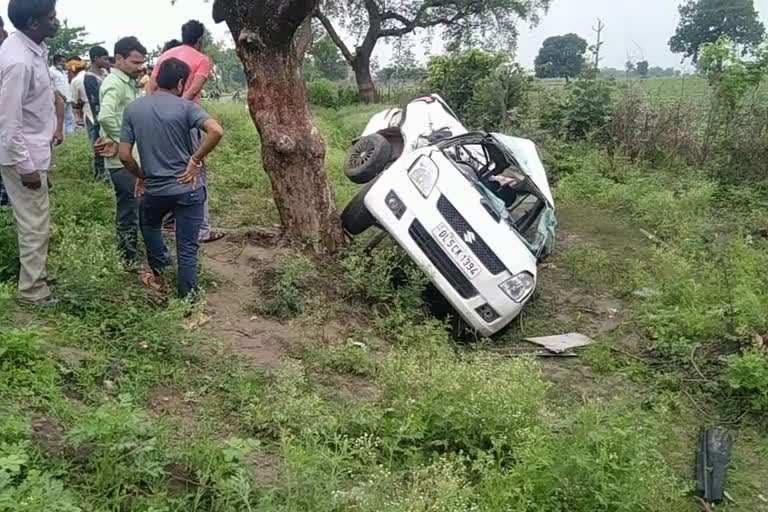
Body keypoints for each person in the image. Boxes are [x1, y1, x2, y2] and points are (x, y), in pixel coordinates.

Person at [119, 58, 224, 297]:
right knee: (187, 248)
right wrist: (195, 160)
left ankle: (162, 273)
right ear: (179, 83)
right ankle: (188, 299)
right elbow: (216, 131)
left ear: (156, 79)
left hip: (155, 190)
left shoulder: (134, 109)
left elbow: (124, 155)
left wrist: (141, 175)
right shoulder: (186, 107)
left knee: (150, 226)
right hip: (188, 188)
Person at [0, 0, 62, 307]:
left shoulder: (30, 49)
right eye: (51, 17)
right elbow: (9, 121)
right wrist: (26, 167)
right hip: (23, 156)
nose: (57, 22)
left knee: (36, 220)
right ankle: (32, 292)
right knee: (34, 224)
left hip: (33, 150)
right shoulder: (19, 61)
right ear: (33, 23)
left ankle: (36, 276)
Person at [149, 20, 224, 243]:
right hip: (187, 121)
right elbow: (191, 92)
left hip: (158, 118)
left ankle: (170, 219)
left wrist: (160, 113)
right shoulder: (201, 59)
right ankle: (201, 229)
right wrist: (175, 113)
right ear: (200, 40)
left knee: (168, 166)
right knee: (196, 167)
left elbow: (150, 88)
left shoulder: (166, 55)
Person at [96, 36, 146, 268]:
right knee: (128, 210)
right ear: (118, 59)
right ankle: (128, 259)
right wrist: (121, 141)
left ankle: (132, 254)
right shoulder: (114, 84)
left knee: (134, 207)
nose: (140, 67)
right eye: (135, 63)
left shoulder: (126, 82)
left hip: (129, 157)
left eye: (141, 63)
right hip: (121, 161)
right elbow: (105, 116)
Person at [72, 45, 110, 180]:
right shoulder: (89, 78)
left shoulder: (104, 74)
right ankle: (100, 174)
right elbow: (96, 101)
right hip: (94, 115)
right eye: (104, 59)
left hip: (104, 113)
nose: (107, 61)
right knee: (98, 144)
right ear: (96, 58)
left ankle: (104, 172)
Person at [49, 53, 74, 135]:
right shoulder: (51, 71)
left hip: (68, 98)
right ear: (57, 62)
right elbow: (53, 86)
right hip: (59, 99)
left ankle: (70, 135)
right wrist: (61, 96)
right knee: (59, 118)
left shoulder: (63, 71)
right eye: (63, 62)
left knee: (69, 117)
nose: (64, 64)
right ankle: (59, 134)